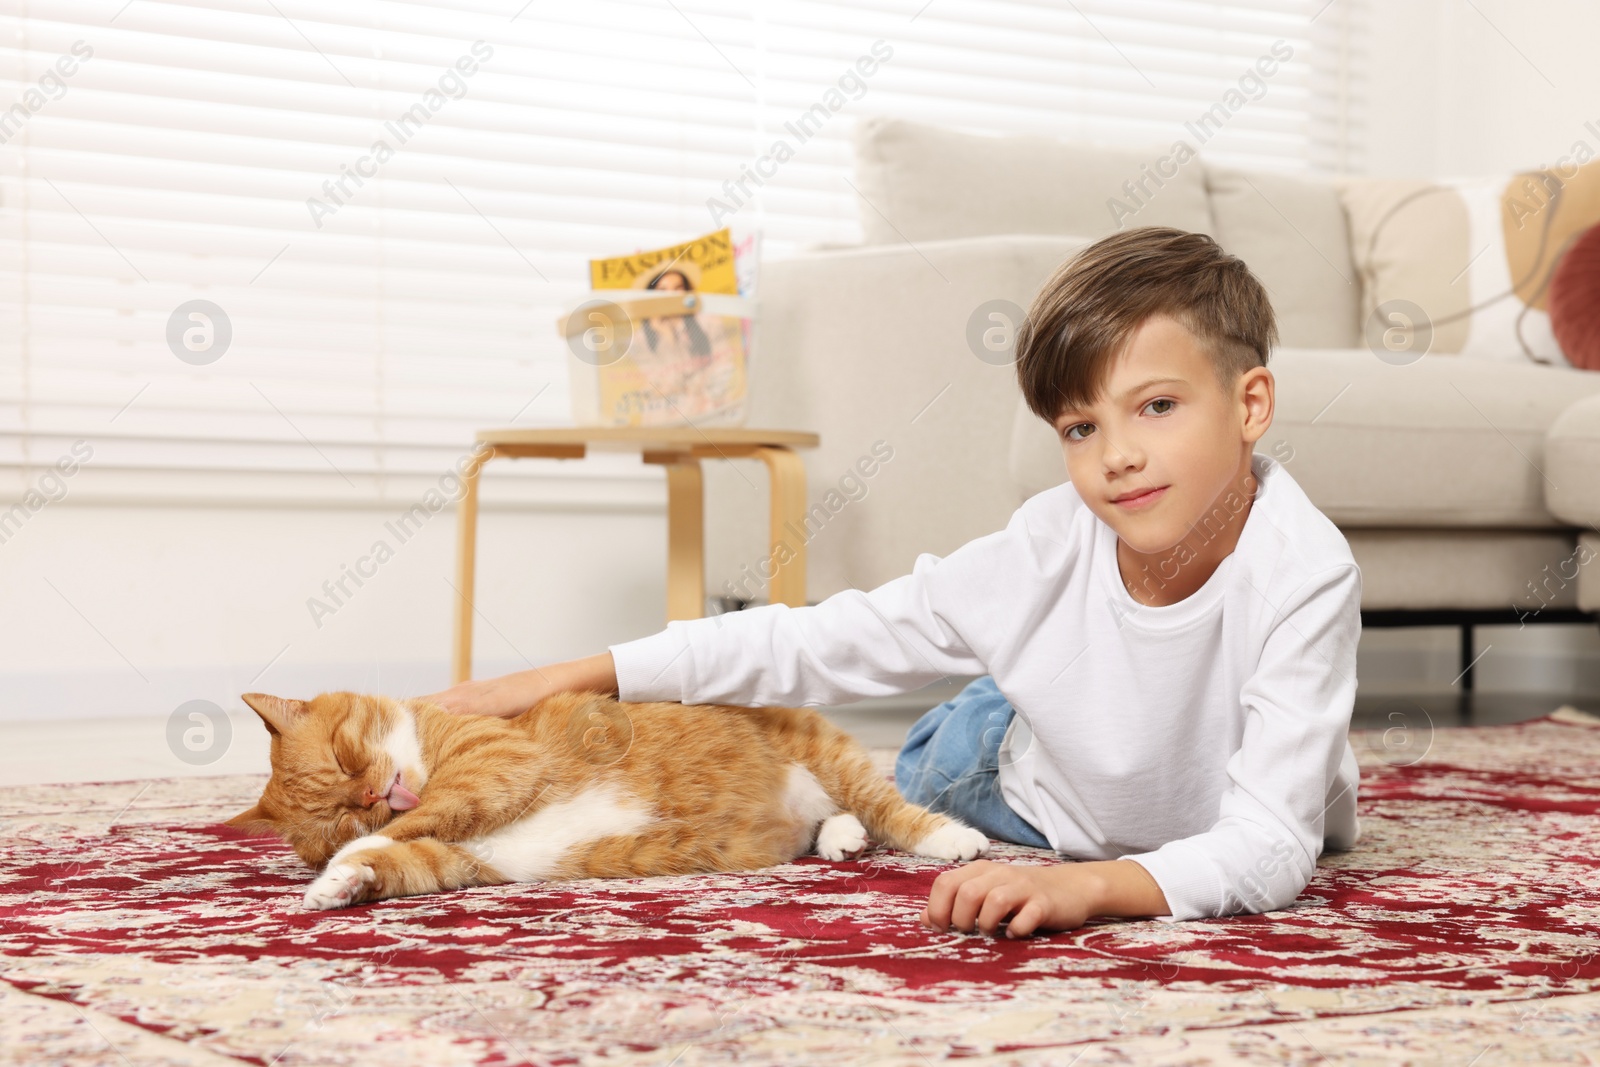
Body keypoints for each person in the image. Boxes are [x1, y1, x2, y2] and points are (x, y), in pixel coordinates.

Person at [421, 226, 1363, 940]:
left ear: (1250, 405)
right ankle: (1004, 694)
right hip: (1036, 791)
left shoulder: (1304, 571)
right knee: (935, 758)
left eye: (1156, 407)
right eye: (1080, 427)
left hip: (1157, 785)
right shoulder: (1046, 547)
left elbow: (1273, 841)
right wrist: (559, 678)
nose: (1117, 455)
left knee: (1266, 806)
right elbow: (818, 641)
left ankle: (1012, 680)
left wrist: (1094, 886)